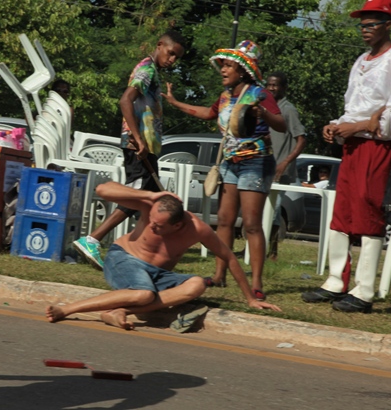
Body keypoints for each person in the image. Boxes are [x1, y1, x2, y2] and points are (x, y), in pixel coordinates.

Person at [301, 0, 391, 312]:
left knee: (368, 209)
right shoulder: (361, 60)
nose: (365, 29)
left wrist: (364, 125)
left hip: (377, 146)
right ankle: (336, 280)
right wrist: (337, 125)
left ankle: (364, 290)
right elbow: (353, 106)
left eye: (372, 23)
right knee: (344, 209)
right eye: (362, 24)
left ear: (388, 24)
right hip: (353, 143)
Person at [47, 182, 280, 330]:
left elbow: (229, 257)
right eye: (151, 222)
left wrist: (250, 298)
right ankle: (67, 309)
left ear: (178, 225)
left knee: (197, 284)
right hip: (124, 259)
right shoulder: (151, 206)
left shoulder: (198, 229)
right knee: (143, 294)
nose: (151, 226)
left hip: (158, 275)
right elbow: (101, 189)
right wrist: (149, 195)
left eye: (158, 226)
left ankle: (121, 311)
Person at [162, 40, 285, 300]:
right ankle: (219, 276)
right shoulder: (225, 96)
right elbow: (208, 113)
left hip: (256, 162)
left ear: (242, 70)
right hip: (229, 163)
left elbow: (282, 125)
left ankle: (257, 284)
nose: (223, 70)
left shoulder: (260, 94)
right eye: (223, 65)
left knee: (251, 224)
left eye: (228, 65)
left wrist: (263, 113)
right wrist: (174, 102)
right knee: (225, 221)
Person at [73, 31, 186, 269]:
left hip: (148, 146)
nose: (172, 60)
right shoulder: (146, 70)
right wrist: (139, 140)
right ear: (159, 45)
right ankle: (92, 239)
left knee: (150, 203)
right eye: (171, 53)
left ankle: (141, 252)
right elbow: (125, 100)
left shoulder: (153, 72)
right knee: (137, 197)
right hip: (139, 146)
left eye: (177, 57)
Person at [266, 71, 307, 260]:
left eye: (275, 85)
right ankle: (256, 249)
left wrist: (285, 162)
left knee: (273, 211)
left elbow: (301, 139)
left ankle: (272, 252)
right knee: (261, 209)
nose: (271, 88)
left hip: (279, 169)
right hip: (266, 165)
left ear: (284, 87)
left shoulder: (288, 109)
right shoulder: (268, 108)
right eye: (269, 85)